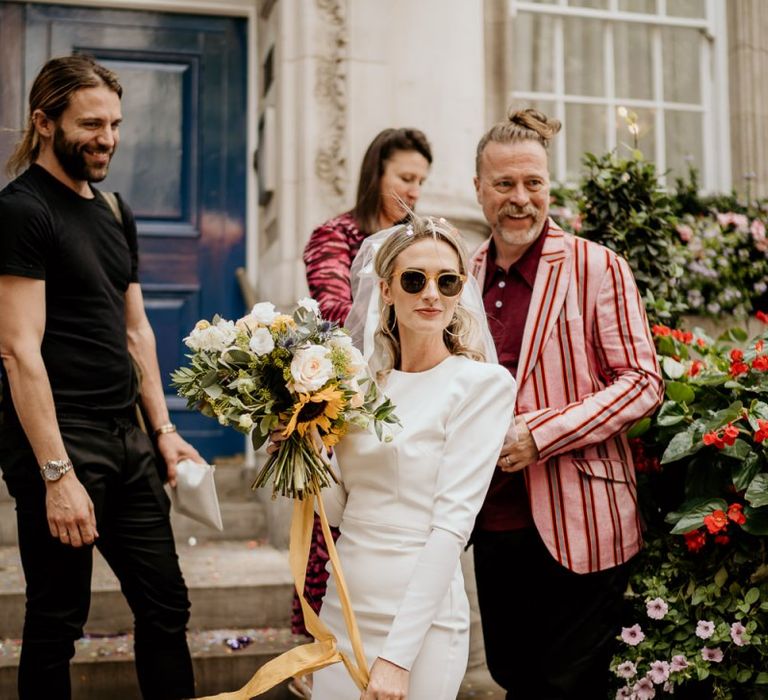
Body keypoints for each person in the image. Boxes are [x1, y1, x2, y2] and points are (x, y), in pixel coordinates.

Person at [0, 55, 199, 700]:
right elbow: (18, 352)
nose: (107, 137)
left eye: (114, 123)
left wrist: (162, 429)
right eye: (90, 123)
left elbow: (135, 330)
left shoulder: (115, 210)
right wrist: (57, 477)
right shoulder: (22, 211)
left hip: (127, 439)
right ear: (43, 121)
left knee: (166, 607)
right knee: (56, 624)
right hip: (62, 441)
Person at [469, 107, 664, 699]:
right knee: (513, 678)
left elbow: (642, 382)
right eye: (504, 184)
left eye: (534, 183)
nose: (521, 198)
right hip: (493, 518)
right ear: (478, 188)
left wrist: (542, 433)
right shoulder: (461, 274)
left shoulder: (597, 266)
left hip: (585, 519)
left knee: (567, 686)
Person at [304, 215, 516, 700]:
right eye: (414, 279)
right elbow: (338, 511)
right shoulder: (357, 388)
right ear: (386, 288)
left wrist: (397, 658)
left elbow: (452, 526)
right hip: (346, 605)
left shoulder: (480, 386)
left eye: (448, 281)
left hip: (420, 623)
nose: (432, 294)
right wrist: (308, 449)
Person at [290, 128, 432, 697]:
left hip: (410, 410)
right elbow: (334, 310)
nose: (414, 192)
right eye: (405, 178)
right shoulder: (337, 235)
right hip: (342, 408)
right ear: (377, 174)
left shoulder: (418, 242)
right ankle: (317, 653)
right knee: (331, 536)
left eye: (421, 181)